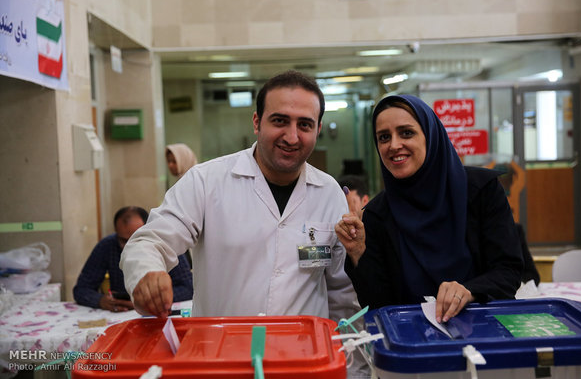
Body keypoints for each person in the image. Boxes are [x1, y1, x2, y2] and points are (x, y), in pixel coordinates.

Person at [120, 71, 361, 325]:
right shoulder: (206, 181)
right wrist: (147, 272)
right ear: (257, 122)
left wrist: (347, 358)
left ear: (318, 129)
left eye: (305, 124)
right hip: (222, 354)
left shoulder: (329, 193)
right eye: (280, 121)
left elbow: (341, 294)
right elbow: (150, 240)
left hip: (305, 357)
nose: (292, 137)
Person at [336, 94, 523, 324]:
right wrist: (358, 254)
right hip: (414, 345)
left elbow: (509, 271)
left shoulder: (481, 191)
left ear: (430, 135)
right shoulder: (377, 215)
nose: (394, 145)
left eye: (406, 133)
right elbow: (378, 305)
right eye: (384, 137)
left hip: (484, 334)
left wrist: (469, 290)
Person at [73, 206, 193, 312]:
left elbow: (188, 288)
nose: (130, 246)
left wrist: (152, 299)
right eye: (123, 240)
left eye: (138, 239)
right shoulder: (107, 246)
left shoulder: (166, 243)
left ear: (149, 229)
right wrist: (101, 301)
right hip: (119, 313)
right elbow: (82, 288)